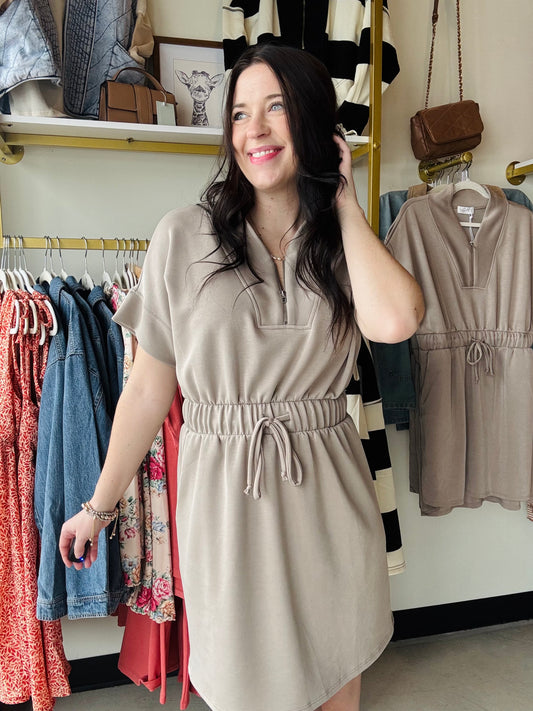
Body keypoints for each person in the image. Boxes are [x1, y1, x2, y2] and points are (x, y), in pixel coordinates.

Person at [59, 43, 424, 711]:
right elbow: (148, 389)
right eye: (239, 113)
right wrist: (97, 506)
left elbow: (397, 320)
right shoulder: (182, 237)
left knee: (338, 678)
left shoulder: (342, 241)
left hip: (329, 496)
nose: (255, 129)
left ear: (314, 123)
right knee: (241, 685)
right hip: (228, 504)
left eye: (276, 108)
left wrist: (344, 202)